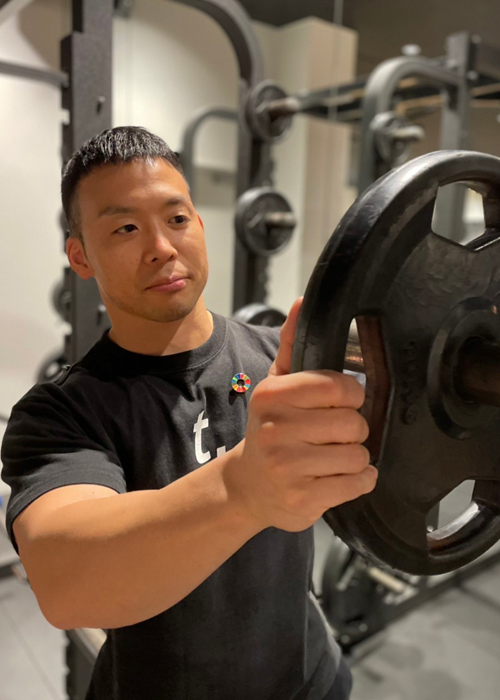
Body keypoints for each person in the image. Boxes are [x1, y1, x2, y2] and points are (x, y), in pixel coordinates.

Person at [1, 126, 377, 700]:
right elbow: (65, 581)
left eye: (176, 218)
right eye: (126, 228)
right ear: (80, 256)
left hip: (313, 682)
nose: (161, 246)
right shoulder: (62, 414)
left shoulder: (276, 355)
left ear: (199, 224)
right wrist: (243, 489)